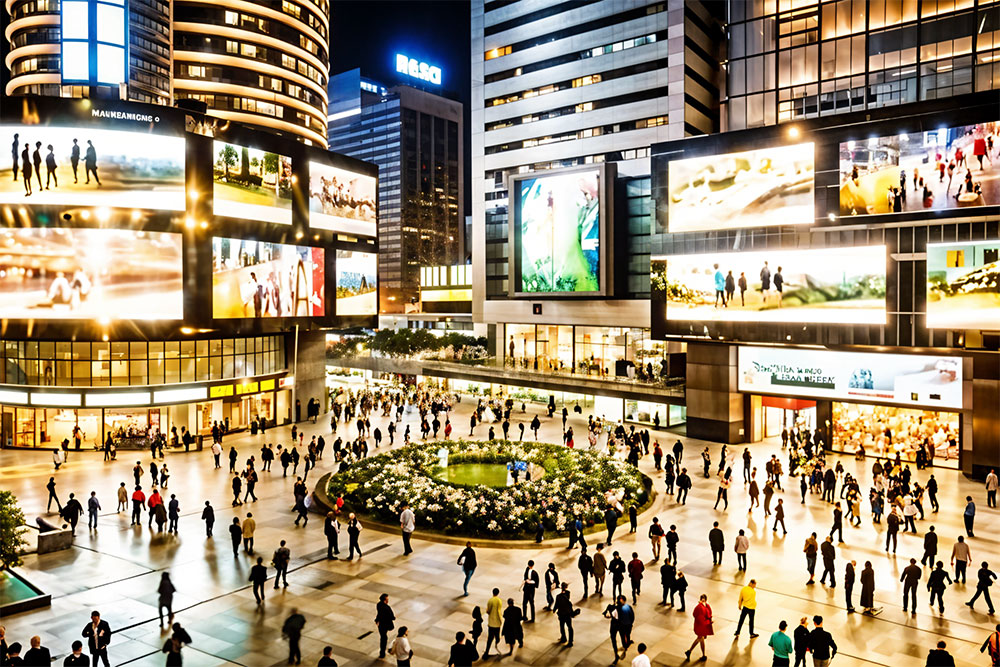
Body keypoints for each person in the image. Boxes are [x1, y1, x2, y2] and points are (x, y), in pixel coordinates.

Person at [684, 594, 713, 661]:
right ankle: (689, 651)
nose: (703, 600)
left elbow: (708, 614)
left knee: (701, 639)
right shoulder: (700, 607)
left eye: (704, 599)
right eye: (702, 599)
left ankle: (702, 655)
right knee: (700, 638)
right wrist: (708, 622)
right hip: (701, 626)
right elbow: (701, 617)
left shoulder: (705, 606)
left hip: (702, 625)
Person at [375, 593, 395, 659]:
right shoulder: (387, 608)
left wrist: (377, 619)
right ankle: (382, 653)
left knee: (383, 637)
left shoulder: (378, 605)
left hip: (380, 624)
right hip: (385, 625)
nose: (388, 600)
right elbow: (392, 617)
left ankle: (382, 652)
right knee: (384, 638)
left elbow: (379, 613)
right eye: (387, 599)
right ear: (385, 600)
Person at [484, 588, 502, 656]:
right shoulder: (499, 600)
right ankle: (497, 648)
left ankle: (487, 652)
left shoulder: (490, 600)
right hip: (498, 622)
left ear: (492, 592)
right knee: (497, 637)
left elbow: (488, 611)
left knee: (490, 638)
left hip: (491, 623)